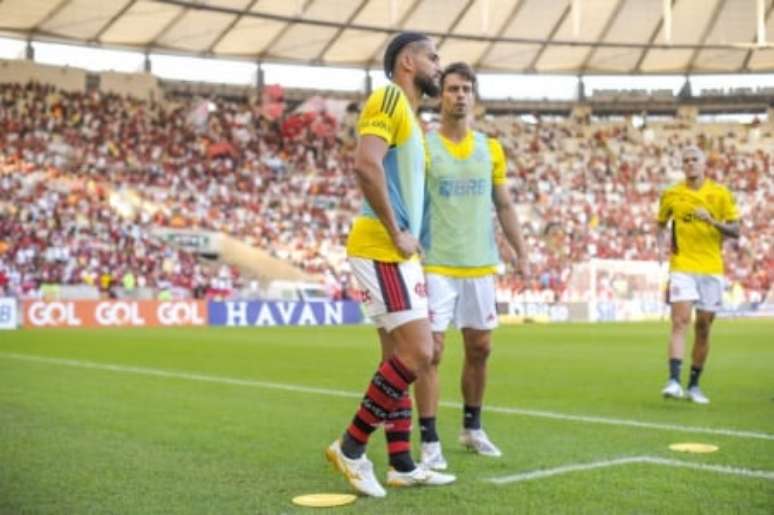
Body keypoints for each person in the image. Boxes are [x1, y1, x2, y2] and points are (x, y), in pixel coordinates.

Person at [325, 32, 455, 498]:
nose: (439, 65)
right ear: (406, 62)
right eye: (432, 56)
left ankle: (400, 463)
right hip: (382, 248)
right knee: (418, 353)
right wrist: (397, 228)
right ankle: (351, 447)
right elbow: (366, 164)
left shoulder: (413, 121)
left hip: (397, 252)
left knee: (397, 358)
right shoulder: (388, 99)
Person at [414, 62, 529, 470]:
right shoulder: (424, 146)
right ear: (440, 96)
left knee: (480, 349)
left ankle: (471, 427)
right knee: (431, 353)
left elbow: (504, 204)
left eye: (466, 89)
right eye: (452, 89)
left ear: (473, 97)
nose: (460, 95)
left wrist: (521, 251)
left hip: (480, 265)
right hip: (437, 265)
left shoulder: (490, 148)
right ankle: (429, 440)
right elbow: (410, 201)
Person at [657, 146, 740, 404]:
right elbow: (661, 223)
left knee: (703, 327)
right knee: (680, 321)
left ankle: (693, 385)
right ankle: (673, 381)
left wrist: (712, 222)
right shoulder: (671, 194)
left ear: (704, 164)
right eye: (686, 160)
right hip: (682, 266)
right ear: (682, 166)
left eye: (695, 160)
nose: (690, 164)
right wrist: (661, 244)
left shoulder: (720, 193)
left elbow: (736, 230)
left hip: (711, 268)